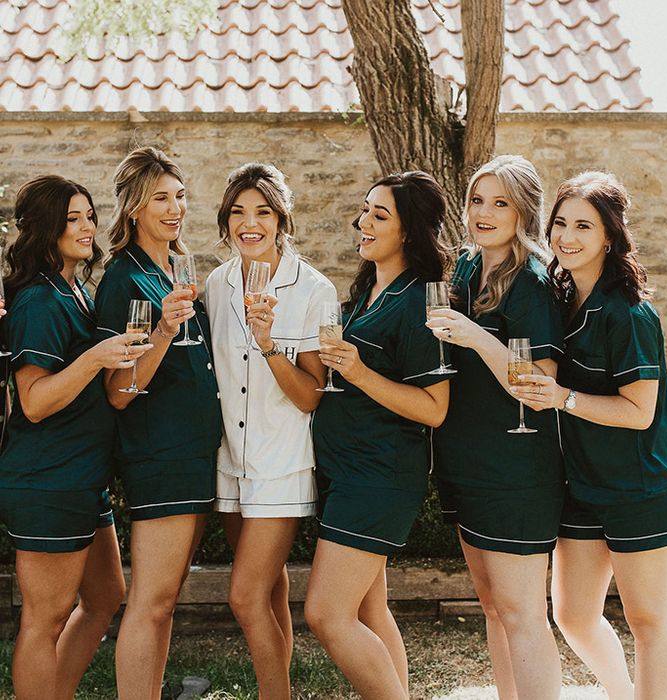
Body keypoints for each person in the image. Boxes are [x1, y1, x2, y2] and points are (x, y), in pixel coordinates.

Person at [512, 171, 667, 700]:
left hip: (642, 486)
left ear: (610, 237)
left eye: (583, 227)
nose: (566, 237)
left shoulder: (630, 313)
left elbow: (641, 412)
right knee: (571, 615)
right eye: (560, 224)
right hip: (582, 485)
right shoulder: (558, 300)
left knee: (650, 621)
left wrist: (561, 399)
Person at [0, 176, 148, 699]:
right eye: (72, 219)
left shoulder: (77, 289)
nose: (86, 227)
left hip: (83, 478)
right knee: (45, 618)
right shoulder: (40, 300)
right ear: (45, 228)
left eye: (88, 215)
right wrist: (95, 359)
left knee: (106, 594)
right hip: (48, 480)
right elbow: (35, 401)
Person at [304, 171, 451, 699]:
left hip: (379, 477)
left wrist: (360, 371)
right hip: (346, 472)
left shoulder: (420, 304)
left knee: (326, 613)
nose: (362, 223)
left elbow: (435, 408)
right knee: (369, 608)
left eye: (379, 215)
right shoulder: (370, 289)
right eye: (365, 210)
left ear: (409, 231)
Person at [426, 155, 564, 699]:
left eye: (499, 202)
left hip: (516, 473)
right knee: (492, 608)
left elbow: (539, 382)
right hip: (466, 462)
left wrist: (474, 336)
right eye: (477, 200)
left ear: (524, 212)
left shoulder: (532, 280)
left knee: (523, 613)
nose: (484, 212)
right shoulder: (465, 265)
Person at [94, 147, 222, 700]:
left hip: (196, 453)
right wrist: (167, 331)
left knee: (166, 599)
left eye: (179, 196)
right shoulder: (122, 280)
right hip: (160, 456)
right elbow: (119, 391)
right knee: (151, 599)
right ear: (133, 209)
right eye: (160, 199)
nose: (174, 209)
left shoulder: (177, 265)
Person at [206, 163, 336, 697]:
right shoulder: (216, 283)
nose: (249, 223)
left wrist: (269, 345)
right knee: (269, 591)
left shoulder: (314, 290)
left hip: (281, 464)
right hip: (230, 462)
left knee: (243, 596)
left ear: (282, 219)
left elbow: (311, 395)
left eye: (262, 211)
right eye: (237, 212)